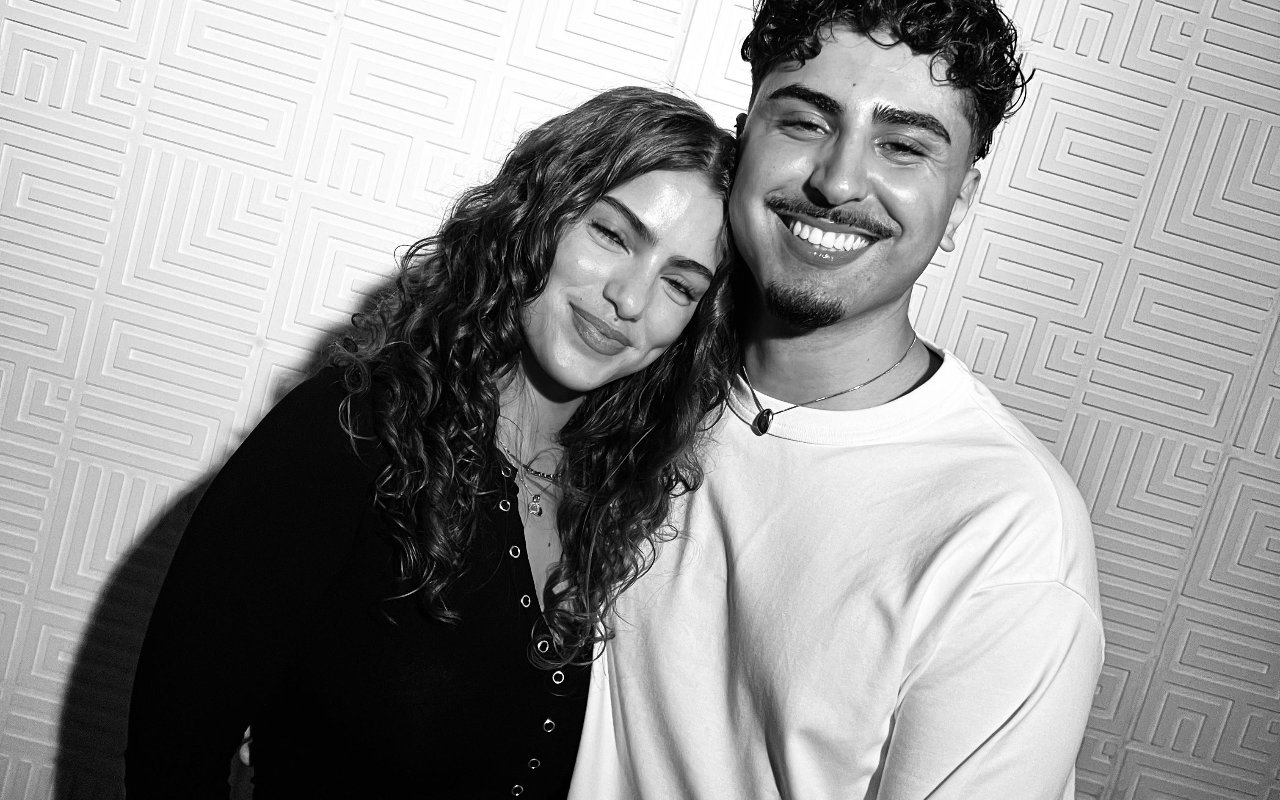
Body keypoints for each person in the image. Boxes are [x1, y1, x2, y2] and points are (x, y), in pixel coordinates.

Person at [125, 86, 737, 799]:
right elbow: (172, 757)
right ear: (540, 216)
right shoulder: (350, 433)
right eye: (612, 235)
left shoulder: (627, 505)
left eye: (680, 285)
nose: (630, 299)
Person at [568, 2, 1105, 798]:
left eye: (904, 146)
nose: (839, 181)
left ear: (959, 203)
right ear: (743, 139)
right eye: (805, 123)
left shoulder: (1006, 537)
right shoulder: (628, 353)